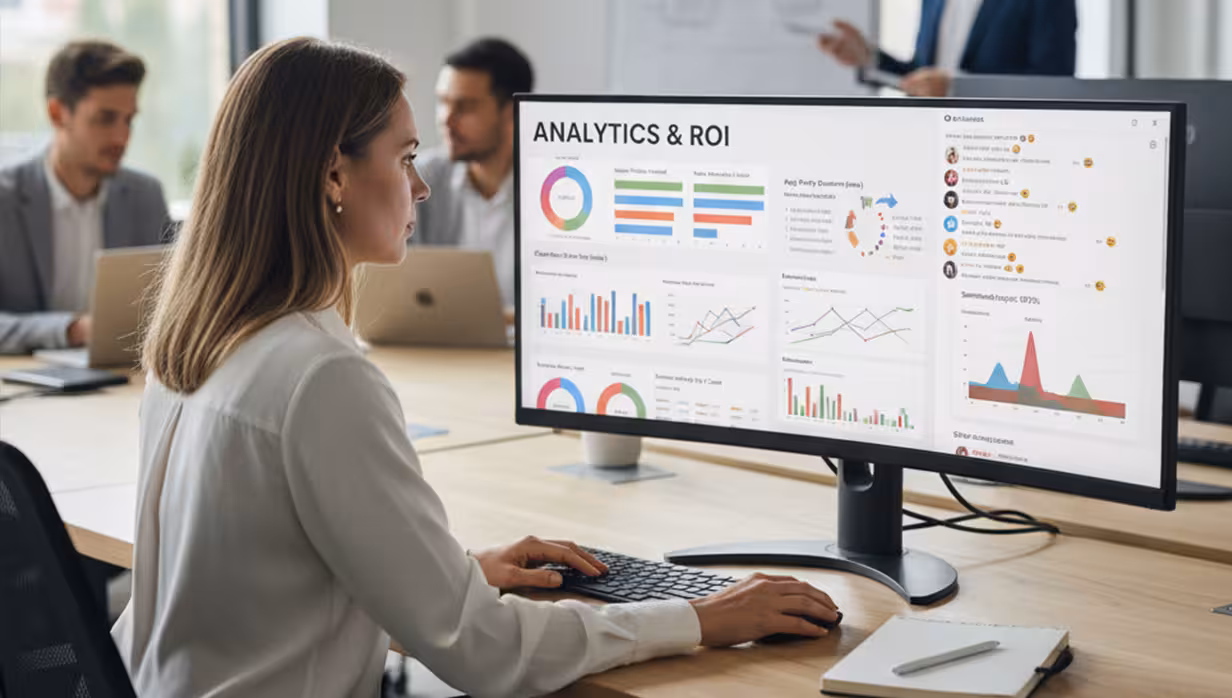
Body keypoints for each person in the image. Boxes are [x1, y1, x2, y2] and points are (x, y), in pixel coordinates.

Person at [118, 38, 839, 698]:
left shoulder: (194, 343)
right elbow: (484, 652)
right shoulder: (321, 376)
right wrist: (696, 617)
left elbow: (268, 570)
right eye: (404, 158)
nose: (422, 187)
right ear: (334, 173)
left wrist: (450, 572)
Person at [0, 40, 170, 354]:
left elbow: (173, 304)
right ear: (57, 113)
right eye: (105, 118)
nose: (122, 137)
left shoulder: (145, 195)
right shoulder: (5, 198)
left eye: (128, 120)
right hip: (25, 382)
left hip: (120, 379)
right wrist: (72, 330)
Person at [412, 38, 530, 312]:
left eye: (465, 107)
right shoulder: (421, 179)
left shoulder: (553, 191)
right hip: (439, 343)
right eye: (442, 103)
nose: (446, 119)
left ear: (511, 112)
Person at [818, 0, 1077, 97]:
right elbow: (923, 76)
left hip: (1004, 154)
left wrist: (957, 88)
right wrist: (869, 58)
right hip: (934, 145)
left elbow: (1054, 85)